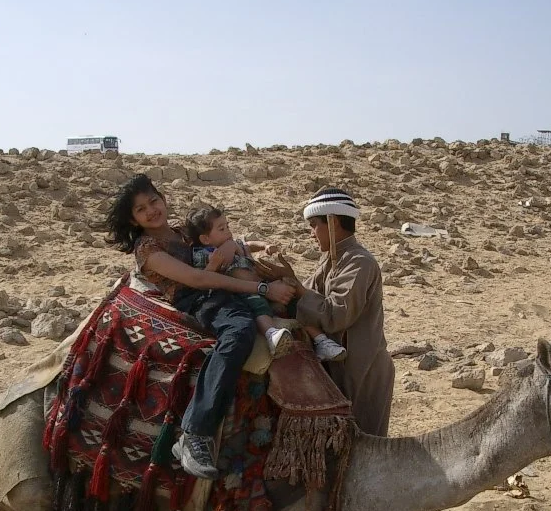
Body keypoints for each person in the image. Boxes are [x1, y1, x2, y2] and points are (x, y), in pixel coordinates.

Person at [105, 175, 295, 480]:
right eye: (141, 209)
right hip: (196, 299)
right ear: (134, 219)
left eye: (153, 201)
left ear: (163, 199)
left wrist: (233, 244)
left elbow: (225, 242)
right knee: (239, 331)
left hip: (219, 288)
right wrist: (260, 289)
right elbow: (197, 280)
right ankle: (195, 432)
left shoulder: (183, 234)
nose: (152, 210)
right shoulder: (147, 249)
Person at [258, 187, 394, 435]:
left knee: (364, 444)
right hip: (343, 365)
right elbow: (307, 297)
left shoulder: (359, 262)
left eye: (314, 226)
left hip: (363, 369)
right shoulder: (331, 259)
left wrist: (297, 288)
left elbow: (336, 315)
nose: (312, 234)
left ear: (332, 222)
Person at [183, 207, 347, 362]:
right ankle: (272, 334)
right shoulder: (206, 254)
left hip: (262, 283)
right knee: (257, 304)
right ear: (205, 239)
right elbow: (204, 278)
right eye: (221, 229)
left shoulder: (232, 243)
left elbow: (248, 244)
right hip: (244, 291)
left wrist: (265, 246)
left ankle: (321, 340)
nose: (228, 232)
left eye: (227, 226)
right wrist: (213, 265)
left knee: (295, 301)